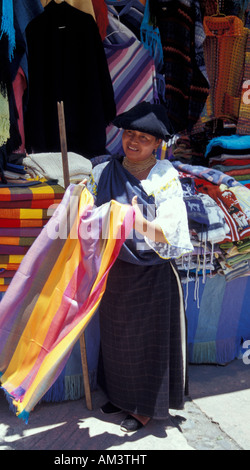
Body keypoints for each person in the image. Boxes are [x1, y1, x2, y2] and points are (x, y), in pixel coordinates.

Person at [86, 101, 193, 433]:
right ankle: (119, 397)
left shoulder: (164, 177)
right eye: (129, 134)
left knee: (147, 344)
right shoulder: (103, 170)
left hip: (152, 274)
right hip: (115, 271)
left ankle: (145, 409)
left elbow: (170, 231)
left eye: (143, 139)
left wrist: (138, 220)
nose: (133, 142)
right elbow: (87, 215)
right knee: (118, 339)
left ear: (157, 144)